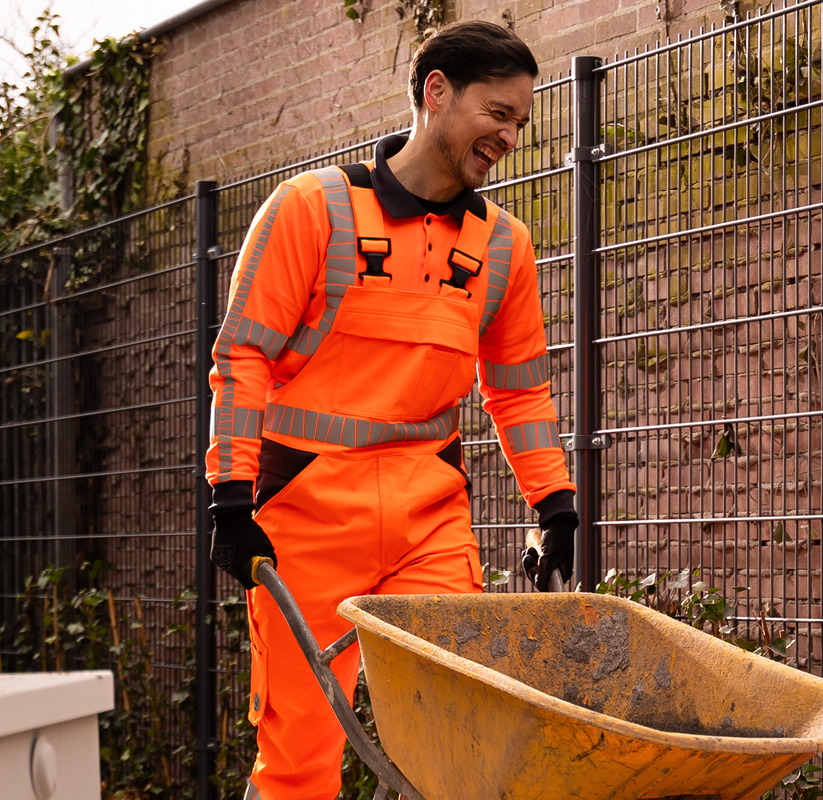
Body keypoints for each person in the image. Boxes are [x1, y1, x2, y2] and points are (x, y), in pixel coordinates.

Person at [201, 20, 577, 800]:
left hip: (429, 519)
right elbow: (242, 357)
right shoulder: (310, 209)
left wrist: (555, 503)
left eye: (520, 122)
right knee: (299, 762)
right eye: (498, 113)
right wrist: (230, 500)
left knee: (458, 746)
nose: (510, 136)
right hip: (303, 518)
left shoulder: (505, 247)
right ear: (436, 91)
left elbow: (518, 390)